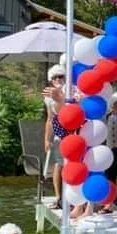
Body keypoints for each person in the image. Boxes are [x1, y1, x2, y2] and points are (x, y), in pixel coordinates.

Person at [43, 64, 67, 210]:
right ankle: (59, 197)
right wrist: (47, 139)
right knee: (59, 163)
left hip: (74, 130)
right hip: (59, 131)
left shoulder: (71, 92)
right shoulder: (48, 98)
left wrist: (60, 98)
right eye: (55, 77)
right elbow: (50, 119)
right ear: (51, 80)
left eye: (61, 76)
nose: (58, 79)